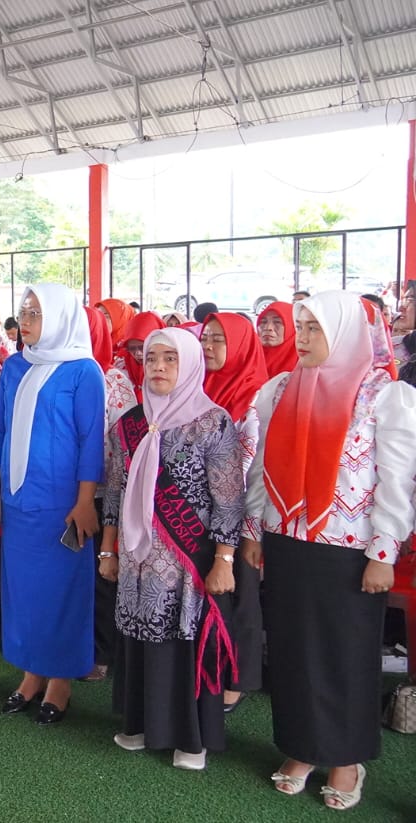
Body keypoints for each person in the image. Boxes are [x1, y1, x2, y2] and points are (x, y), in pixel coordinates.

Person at [243, 291, 416, 810]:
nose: (303, 338)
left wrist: (383, 551)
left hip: (348, 550)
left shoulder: (383, 395)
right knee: (293, 650)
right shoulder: (280, 390)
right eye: (300, 327)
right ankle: (301, 748)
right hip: (287, 540)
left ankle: (346, 759)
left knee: (345, 654)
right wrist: (254, 530)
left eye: (314, 328)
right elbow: (260, 467)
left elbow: (396, 479)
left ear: (343, 332)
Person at [101, 328, 243, 771]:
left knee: (183, 641)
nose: (158, 367)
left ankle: (190, 739)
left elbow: (228, 498)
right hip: (136, 558)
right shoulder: (129, 423)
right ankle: (141, 724)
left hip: (187, 561)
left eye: (170, 358)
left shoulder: (213, 422)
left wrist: (223, 560)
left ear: (190, 364)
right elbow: (115, 490)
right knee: (138, 638)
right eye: (151, 358)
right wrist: (108, 551)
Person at [0, 284, 104, 725]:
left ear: (60, 317)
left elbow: (92, 440)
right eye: (23, 311)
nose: (26, 320)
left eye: (36, 313)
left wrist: (85, 500)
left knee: (61, 592)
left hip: (62, 506)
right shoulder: (16, 366)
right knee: (24, 591)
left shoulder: (83, 371)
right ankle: (31, 674)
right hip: (18, 502)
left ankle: (60, 680)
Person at [200, 312, 267, 713]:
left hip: (239, 517)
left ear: (240, 346)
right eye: (204, 338)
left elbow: (250, 467)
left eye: (218, 340)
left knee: (241, 596)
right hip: (201, 515)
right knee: (211, 598)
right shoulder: (198, 387)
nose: (207, 347)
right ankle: (208, 669)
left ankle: (237, 680)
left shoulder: (254, 399)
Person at [84, 306, 136, 682]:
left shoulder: (112, 379)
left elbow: (124, 442)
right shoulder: (54, 372)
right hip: (62, 491)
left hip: (102, 493)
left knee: (101, 576)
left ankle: (102, 651)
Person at [115, 311, 167, 403]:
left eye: (142, 347)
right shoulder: (121, 366)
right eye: (132, 348)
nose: (138, 353)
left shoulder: (170, 368)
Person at [256, 302, 298, 379]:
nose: (268, 328)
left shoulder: (304, 362)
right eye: (263, 322)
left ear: (292, 326)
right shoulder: (250, 357)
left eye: (277, 322)